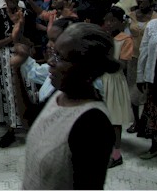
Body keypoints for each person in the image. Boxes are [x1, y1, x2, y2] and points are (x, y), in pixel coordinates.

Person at [23, 23, 116, 190]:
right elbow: (29, 119)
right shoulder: (60, 95)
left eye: (60, 57)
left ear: (85, 68)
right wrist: (17, 68)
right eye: (54, 54)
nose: (50, 62)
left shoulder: (92, 124)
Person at [0, 0, 35, 148]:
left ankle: (31, 128)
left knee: (27, 91)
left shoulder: (27, 14)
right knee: (9, 92)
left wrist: (20, 33)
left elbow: (31, 40)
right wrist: (11, 39)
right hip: (5, 58)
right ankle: (11, 129)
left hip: (23, 56)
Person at [101, 6, 133, 168]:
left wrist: (108, 53)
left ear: (121, 22)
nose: (109, 24)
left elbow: (122, 65)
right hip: (101, 80)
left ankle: (116, 154)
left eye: (113, 21)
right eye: (106, 20)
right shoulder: (101, 36)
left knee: (115, 120)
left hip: (114, 81)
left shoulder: (125, 40)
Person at [126, 0, 157, 134]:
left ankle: (148, 123)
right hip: (133, 58)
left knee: (149, 94)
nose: (141, 0)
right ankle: (136, 121)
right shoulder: (131, 15)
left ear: (151, 0)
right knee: (132, 91)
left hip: (150, 60)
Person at [136, 0, 157, 160]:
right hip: (155, 77)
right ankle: (154, 146)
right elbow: (144, 52)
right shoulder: (154, 26)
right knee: (154, 114)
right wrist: (140, 77)